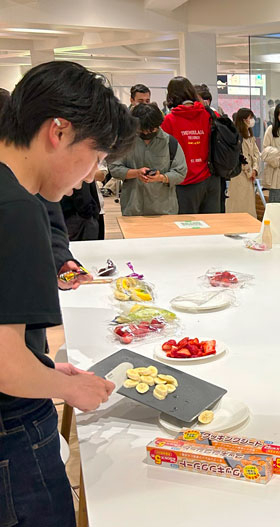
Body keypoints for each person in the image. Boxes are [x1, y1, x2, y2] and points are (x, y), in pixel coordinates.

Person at [0, 60, 133, 527]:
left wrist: (43, 366)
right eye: (96, 155)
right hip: (10, 436)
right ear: (58, 131)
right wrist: (68, 387)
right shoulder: (17, 208)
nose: (95, 174)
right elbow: (3, 365)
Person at [109, 102, 187, 216]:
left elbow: (181, 172)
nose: (146, 133)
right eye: (142, 129)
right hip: (133, 209)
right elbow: (114, 168)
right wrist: (136, 173)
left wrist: (161, 177)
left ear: (158, 124)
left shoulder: (171, 143)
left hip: (164, 211)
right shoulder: (124, 142)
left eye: (151, 130)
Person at [162, 76, 220, 214]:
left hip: (183, 182)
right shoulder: (211, 115)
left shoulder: (168, 120)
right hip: (211, 179)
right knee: (212, 227)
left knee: (187, 228)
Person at [226, 108, 259, 217]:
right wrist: (250, 171)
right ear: (244, 120)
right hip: (239, 175)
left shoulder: (250, 136)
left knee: (248, 204)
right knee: (239, 204)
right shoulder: (237, 137)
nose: (252, 120)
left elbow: (256, 153)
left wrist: (255, 169)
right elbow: (242, 157)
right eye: (250, 118)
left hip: (249, 176)